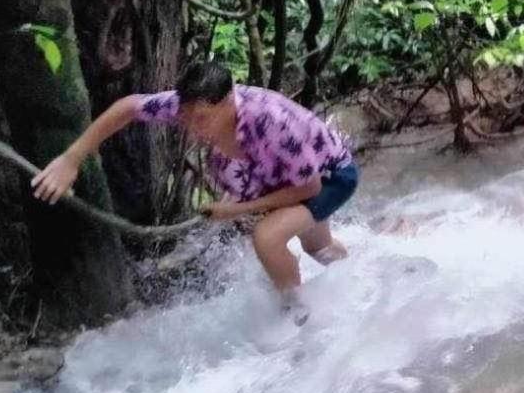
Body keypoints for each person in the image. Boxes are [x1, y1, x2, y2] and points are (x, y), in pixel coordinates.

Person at [31, 61, 357, 323]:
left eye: (202, 119)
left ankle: (298, 315)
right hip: (285, 179)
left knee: (267, 238)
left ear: (228, 101)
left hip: (331, 178)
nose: (193, 127)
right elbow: (129, 107)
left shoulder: (268, 121)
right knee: (320, 248)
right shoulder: (187, 106)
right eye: (187, 118)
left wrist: (237, 209)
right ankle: (366, 275)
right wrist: (71, 158)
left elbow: (308, 187)